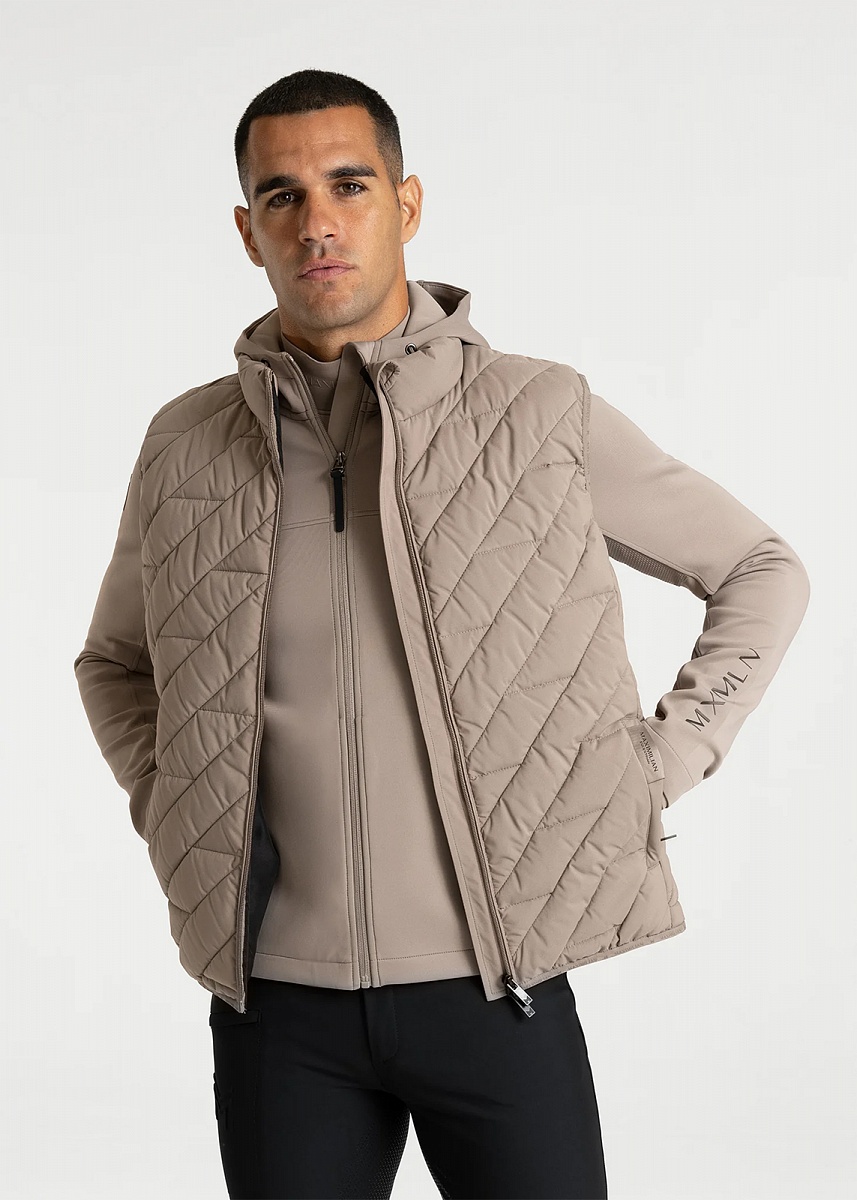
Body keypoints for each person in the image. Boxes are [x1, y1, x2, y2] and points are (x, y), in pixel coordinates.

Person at [73, 68, 811, 1200]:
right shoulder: (186, 445)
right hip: (277, 1012)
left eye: (348, 185)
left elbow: (760, 571)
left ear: (405, 205)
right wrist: (176, 808)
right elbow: (114, 663)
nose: (316, 222)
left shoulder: (536, 412)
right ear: (247, 230)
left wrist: (655, 766)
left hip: (496, 993)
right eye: (281, 196)